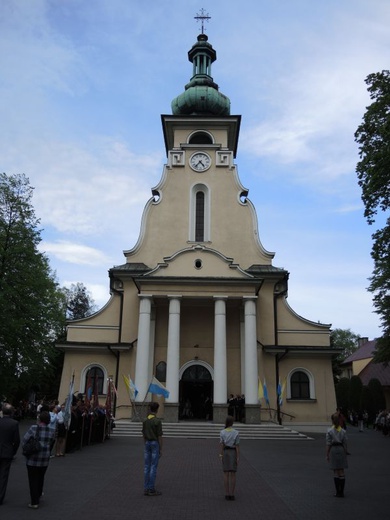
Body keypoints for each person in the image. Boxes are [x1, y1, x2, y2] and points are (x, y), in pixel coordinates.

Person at [23, 410, 55, 509]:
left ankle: (34, 502)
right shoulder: (51, 431)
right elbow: (51, 443)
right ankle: (39, 494)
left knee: (32, 479)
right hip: (44, 458)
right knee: (41, 477)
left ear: (40, 419)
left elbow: (25, 440)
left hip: (33, 457)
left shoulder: (33, 428)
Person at [0, 403, 20, 505]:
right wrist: (13, 451)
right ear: (11, 412)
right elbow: (16, 440)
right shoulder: (14, 423)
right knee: (3, 475)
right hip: (7, 452)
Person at [142, 402, 163, 496]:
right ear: (157, 410)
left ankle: (146, 488)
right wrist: (160, 449)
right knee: (153, 467)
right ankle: (151, 489)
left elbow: (143, 434)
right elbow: (159, 436)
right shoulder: (157, 421)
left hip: (147, 443)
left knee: (146, 466)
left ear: (150, 409)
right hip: (155, 444)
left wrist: (145, 443)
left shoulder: (145, 420)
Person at [326, 412, 348, 498]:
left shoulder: (329, 431)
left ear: (332, 421)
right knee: (341, 471)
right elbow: (345, 443)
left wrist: (327, 454)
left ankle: (337, 492)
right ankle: (342, 492)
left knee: (335, 471)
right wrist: (345, 452)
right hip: (341, 449)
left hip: (333, 450)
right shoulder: (343, 431)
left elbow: (328, 444)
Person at [219, 415, 240, 501]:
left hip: (226, 452)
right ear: (232, 423)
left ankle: (227, 494)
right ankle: (232, 494)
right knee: (233, 473)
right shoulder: (236, 432)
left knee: (226, 473)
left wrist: (221, 455)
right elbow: (237, 446)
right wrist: (238, 457)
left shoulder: (222, 432)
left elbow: (221, 444)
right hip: (233, 452)